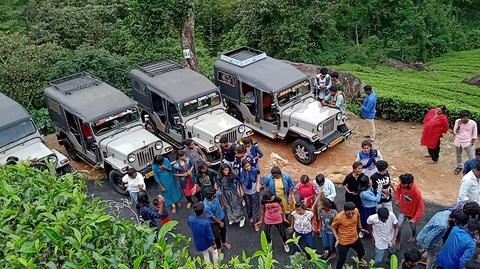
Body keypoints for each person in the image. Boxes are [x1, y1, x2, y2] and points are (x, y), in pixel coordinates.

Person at [332, 202, 369, 269]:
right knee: (341, 260)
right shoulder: (339, 217)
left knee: (362, 252)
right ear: (345, 211)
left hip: (355, 238)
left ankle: (359, 259)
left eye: (352, 213)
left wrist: (360, 228)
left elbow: (358, 218)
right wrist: (337, 238)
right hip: (343, 242)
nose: (351, 214)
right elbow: (333, 227)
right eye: (349, 213)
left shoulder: (356, 211)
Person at [395, 173, 424, 249]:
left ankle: (413, 235)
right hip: (403, 210)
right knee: (398, 226)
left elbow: (421, 208)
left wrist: (415, 218)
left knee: (413, 227)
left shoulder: (416, 192)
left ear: (410, 184)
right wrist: (397, 199)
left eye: (403, 184)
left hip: (412, 214)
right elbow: (398, 190)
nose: (401, 185)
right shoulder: (403, 184)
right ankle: (398, 242)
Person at [453, 110, 478, 175]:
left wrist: (472, 142)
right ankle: (459, 166)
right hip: (458, 141)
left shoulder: (473, 123)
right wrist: (459, 125)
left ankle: (473, 169)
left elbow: (474, 134)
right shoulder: (457, 121)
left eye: (465, 117)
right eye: (462, 118)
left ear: (468, 117)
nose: (463, 119)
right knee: (458, 155)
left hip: (468, 142)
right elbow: (455, 132)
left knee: (471, 157)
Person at [239, 160, 261, 231]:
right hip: (246, 192)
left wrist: (258, 184)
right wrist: (241, 190)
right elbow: (239, 181)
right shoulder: (241, 171)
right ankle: (250, 216)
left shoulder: (254, 170)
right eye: (246, 166)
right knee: (248, 206)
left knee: (255, 207)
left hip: (254, 191)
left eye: (249, 166)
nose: (248, 167)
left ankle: (255, 223)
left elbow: (258, 175)